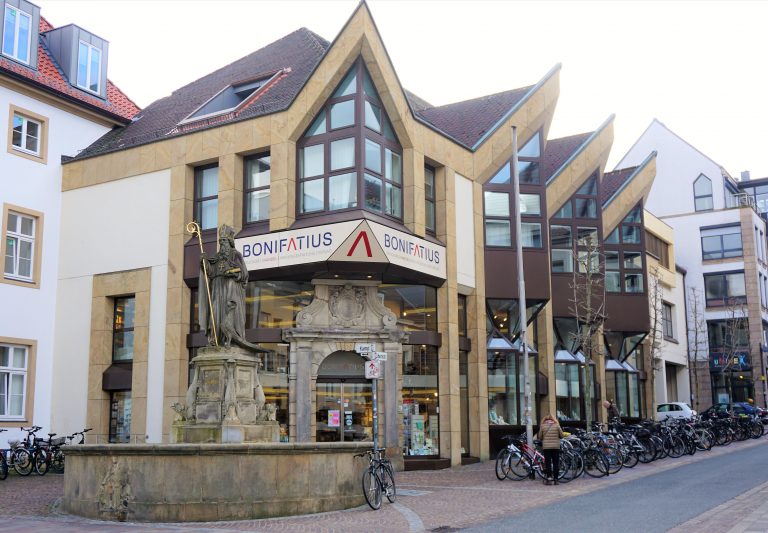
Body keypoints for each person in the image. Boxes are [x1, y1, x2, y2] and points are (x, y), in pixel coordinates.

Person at [198, 224, 249, 348]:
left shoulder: (236, 255)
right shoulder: (216, 257)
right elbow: (210, 271)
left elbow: (244, 274)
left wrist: (232, 272)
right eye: (221, 241)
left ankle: (232, 338)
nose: (222, 244)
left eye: (224, 241)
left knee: (229, 312)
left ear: (230, 241)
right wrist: (204, 263)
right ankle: (216, 339)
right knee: (215, 312)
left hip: (231, 289)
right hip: (217, 288)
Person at [536, 414, 563, 485]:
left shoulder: (543, 426)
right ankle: (556, 480)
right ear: (554, 419)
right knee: (556, 463)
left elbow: (540, 437)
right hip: (555, 447)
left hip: (546, 447)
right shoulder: (557, 425)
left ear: (545, 420)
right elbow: (561, 435)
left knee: (548, 463)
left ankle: (549, 479)